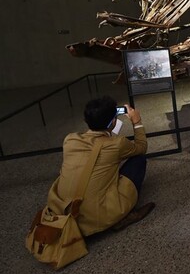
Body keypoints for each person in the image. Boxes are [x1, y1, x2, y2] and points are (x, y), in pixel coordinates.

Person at [46, 95, 155, 235]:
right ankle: (121, 217)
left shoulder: (70, 139)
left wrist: (108, 127)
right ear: (114, 122)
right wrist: (137, 121)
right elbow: (141, 147)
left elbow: (99, 140)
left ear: (86, 120)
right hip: (99, 216)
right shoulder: (117, 144)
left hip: (64, 211)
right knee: (138, 160)